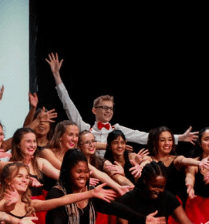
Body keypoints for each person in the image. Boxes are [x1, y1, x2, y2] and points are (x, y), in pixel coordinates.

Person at [45, 52, 197, 157]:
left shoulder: (118, 130)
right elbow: (68, 104)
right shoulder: (85, 129)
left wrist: (179, 138)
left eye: (110, 108)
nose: (108, 111)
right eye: (104, 107)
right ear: (94, 110)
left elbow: (146, 137)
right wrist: (56, 75)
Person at [43, 149, 165, 224]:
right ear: (67, 172)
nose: (83, 176)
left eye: (86, 172)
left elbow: (116, 208)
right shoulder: (57, 192)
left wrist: (143, 219)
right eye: (78, 171)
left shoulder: (93, 192)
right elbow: (57, 214)